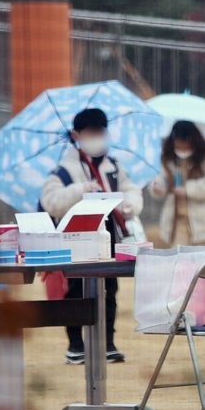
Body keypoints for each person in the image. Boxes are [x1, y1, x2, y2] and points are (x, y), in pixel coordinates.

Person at [40, 108, 143, 364]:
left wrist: (129, 205)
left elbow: (131, 191)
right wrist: (79, 190)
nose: (97, 136)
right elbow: (50, 202)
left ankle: (107, 342)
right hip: (75, 240)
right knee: (76, 291)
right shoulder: (63, 171)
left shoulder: (115, 166)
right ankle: (75, 345)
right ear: (77, 134)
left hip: (109, 238)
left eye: (101, 131)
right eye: (91, 132)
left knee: (110, 288)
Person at [149, 120, 205, 247]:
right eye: (178, 145)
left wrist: (187, 190)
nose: (181, 149)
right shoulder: (168, 160)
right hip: (176, 223)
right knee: (181, 262)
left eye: (184, 145)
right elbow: (161, 179)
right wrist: (158, 187)